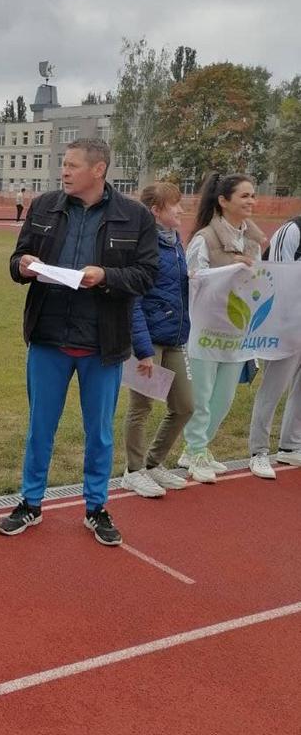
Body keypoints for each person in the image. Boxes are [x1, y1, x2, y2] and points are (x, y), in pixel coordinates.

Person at [0, 138, 157, 546]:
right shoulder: (44, 206)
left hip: (102, 344)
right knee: (40, 429)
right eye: (63, 165)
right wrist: (23, 265)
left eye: (71, 165)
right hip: (49, 337)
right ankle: (30, 503)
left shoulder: (134, 216)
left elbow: (146, 276)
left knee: (99, 432)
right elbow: (17, 260)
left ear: (98, 169)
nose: (64, 171)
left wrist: (105, 277)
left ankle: (96, 507)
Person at [179, 172, 261, 483]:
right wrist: (232, 269)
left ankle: (197, 448)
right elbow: (194, 280)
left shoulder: (253, 241)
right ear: (223, 201)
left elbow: (260, 283)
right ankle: (196, 448)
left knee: (224, 398)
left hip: (237, 330)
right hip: (206, 328)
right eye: (244, 196)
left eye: (253, 195)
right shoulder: (205, 238)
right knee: (201, 396)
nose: (251, 201)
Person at [122, 182, 194, 497]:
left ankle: (153, 464)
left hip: (175, 337)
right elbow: (133, 300)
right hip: (149, 340)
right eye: (175, 204)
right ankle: (133, 470)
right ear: (156, 210)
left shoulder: (175, 242)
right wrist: (143, 349)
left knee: (185, 405)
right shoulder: (143, 244)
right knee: (142, 406)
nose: (181, 209)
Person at [247, 215, 301, 479]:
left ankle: (291, 445)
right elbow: (277, 276)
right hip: (285, 325)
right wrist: (284, 323)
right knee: (273, 389)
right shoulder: (292, 231)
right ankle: (258, 451)